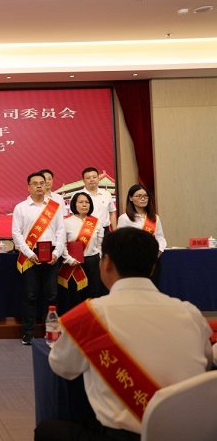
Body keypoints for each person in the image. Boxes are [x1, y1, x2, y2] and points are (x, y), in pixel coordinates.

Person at [35, 228, 212, 440]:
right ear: (153, 266)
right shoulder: (190, 313)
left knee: (47, 431)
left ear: (106, 263)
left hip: (122, 436)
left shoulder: (89, 316)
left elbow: (61, 367)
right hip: (193, 433)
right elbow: (207, 364)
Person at [12, 172, 66, 345]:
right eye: (35, 183)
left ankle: (52, 332)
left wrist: (57, 253)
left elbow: (61, 231)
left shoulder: (55, 207)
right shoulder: (21, 207)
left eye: (42, 183)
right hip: (30, 254)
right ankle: (28, 333)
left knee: (52, 295)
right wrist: (29, 253)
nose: (39, 186)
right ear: (28, 187)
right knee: (30, 296)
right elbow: (16, 233)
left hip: (52, 254)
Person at [117, 184, 166, 287]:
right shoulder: (124, 218)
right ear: (130, 198)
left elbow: (160, 237)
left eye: (145, 196)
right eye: (139, 196)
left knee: (153, 288)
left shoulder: (155, 218)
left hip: (152, 260)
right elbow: (121, 241)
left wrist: (158, 250)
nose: (143, 199)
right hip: (133, 262)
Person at [60, 192, 104, 304]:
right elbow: (62, 244)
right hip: (74, 263)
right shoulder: (66, 222)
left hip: (93, 262)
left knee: (93, 295)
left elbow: (100, 243)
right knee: (76, 296)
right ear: (74, 204)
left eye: (87, 202)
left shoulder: (96, 222)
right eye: (81, 202)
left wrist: (98, 257)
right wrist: (69, 259)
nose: (84, 205)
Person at [78, 167, 117, 233]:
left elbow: (112, 214)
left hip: (105, 231)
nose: (92, 180)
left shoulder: (106, 194)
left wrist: (115, 232)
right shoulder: (78, 195)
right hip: (86, 232)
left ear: (98, 178)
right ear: (83, 180)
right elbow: (73, 215)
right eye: (88, 178)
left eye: (94, 177)